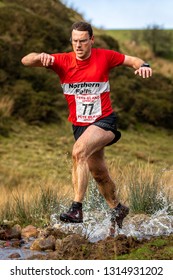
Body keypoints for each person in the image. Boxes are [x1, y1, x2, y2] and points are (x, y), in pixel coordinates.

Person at [21, 21, 152, 234]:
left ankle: (76, 209)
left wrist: (143, 66)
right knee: (98, 173)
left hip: (104, 121)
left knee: (78, 152)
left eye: (83, 41)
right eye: (75, 41)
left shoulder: (105, 56)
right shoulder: (62, 60)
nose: (78, 45)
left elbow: (133, 60)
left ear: (92, 40)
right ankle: (117, 208)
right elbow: (25, 61)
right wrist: (39, 57)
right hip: (80, 126)